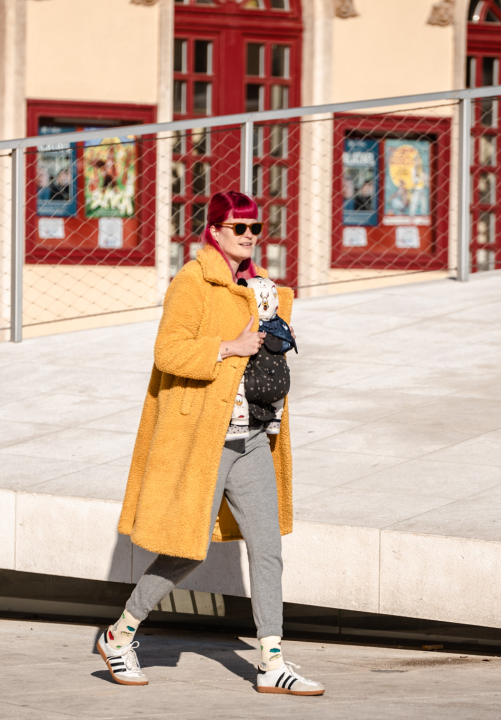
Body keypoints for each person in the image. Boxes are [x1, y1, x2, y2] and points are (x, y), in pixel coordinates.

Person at [99, 191, 324, 696]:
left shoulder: (259, 285)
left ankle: (272, 661)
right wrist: (228, 347)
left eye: (255, 228)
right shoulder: (193, 281)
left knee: (267, 551)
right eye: (238, 228)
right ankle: (120, 634)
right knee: (186, 548)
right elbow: (168, 351)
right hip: (206, 437)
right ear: (215, 231)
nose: (248, 236)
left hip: (253, 437)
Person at [226, 275, 297, 441]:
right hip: (282, 385)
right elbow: (287, 344)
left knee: (238, 384)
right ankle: (275, 419)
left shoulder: (250, 324)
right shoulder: (281, 325)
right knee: (280, 379)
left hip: (257, 384)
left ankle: (239, 423)